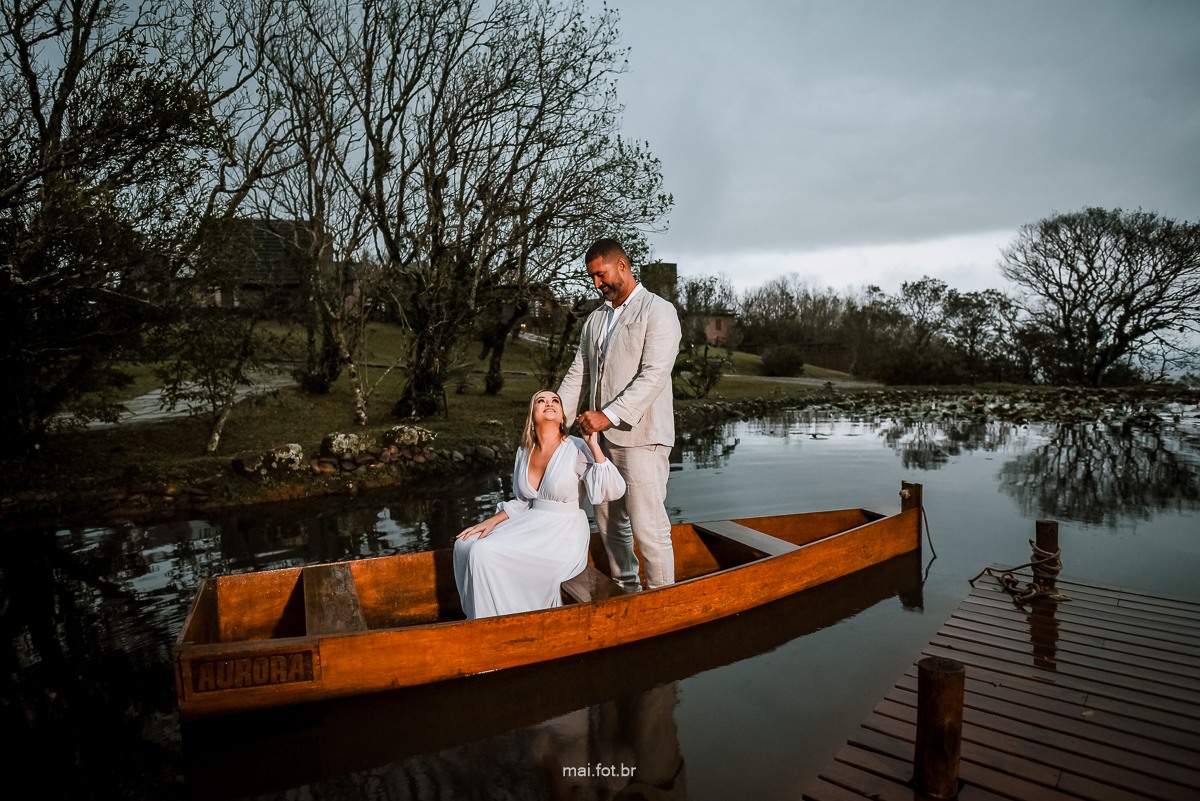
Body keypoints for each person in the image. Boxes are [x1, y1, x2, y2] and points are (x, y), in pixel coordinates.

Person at [558, 238, 682, 591]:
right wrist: (554, 425)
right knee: (610, 524)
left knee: (648, 526)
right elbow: (577, 373)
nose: (597, 284)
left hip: (643, 438)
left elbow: (654, 375)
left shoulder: (659, 311)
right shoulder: (595, 320)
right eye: (592, 278)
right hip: (600, 443)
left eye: (601, 274)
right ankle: (626, 591)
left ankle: (662, 599)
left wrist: (608, 415)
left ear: (623, 266)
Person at [453, 390, 626, 619]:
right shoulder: (524, 451)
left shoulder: (576, 447)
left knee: (483, 553)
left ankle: (494, 624)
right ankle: (483, 615)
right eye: (541, 401)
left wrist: (594, 445)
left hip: (563, 533)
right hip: (531, 521)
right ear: (532, 415)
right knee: (465, 545)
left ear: (562, 416)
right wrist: (491, 522)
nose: (549, 403)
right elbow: (524, 502)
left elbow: (613, 490)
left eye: (555, 400)